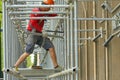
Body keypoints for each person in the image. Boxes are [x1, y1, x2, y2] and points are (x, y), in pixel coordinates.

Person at [12, 0, 62, 71]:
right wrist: (42, 30)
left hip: (39, 33)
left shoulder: (44, 12)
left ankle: (56, 66)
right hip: (32, 33)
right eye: (49, 7)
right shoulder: (36, 11)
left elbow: (51, 14)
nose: (50, 9)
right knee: (28, 52)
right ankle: (15, 66)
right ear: (45, 6)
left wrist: (59, 14)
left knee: (51, 47)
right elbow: (33, 24)